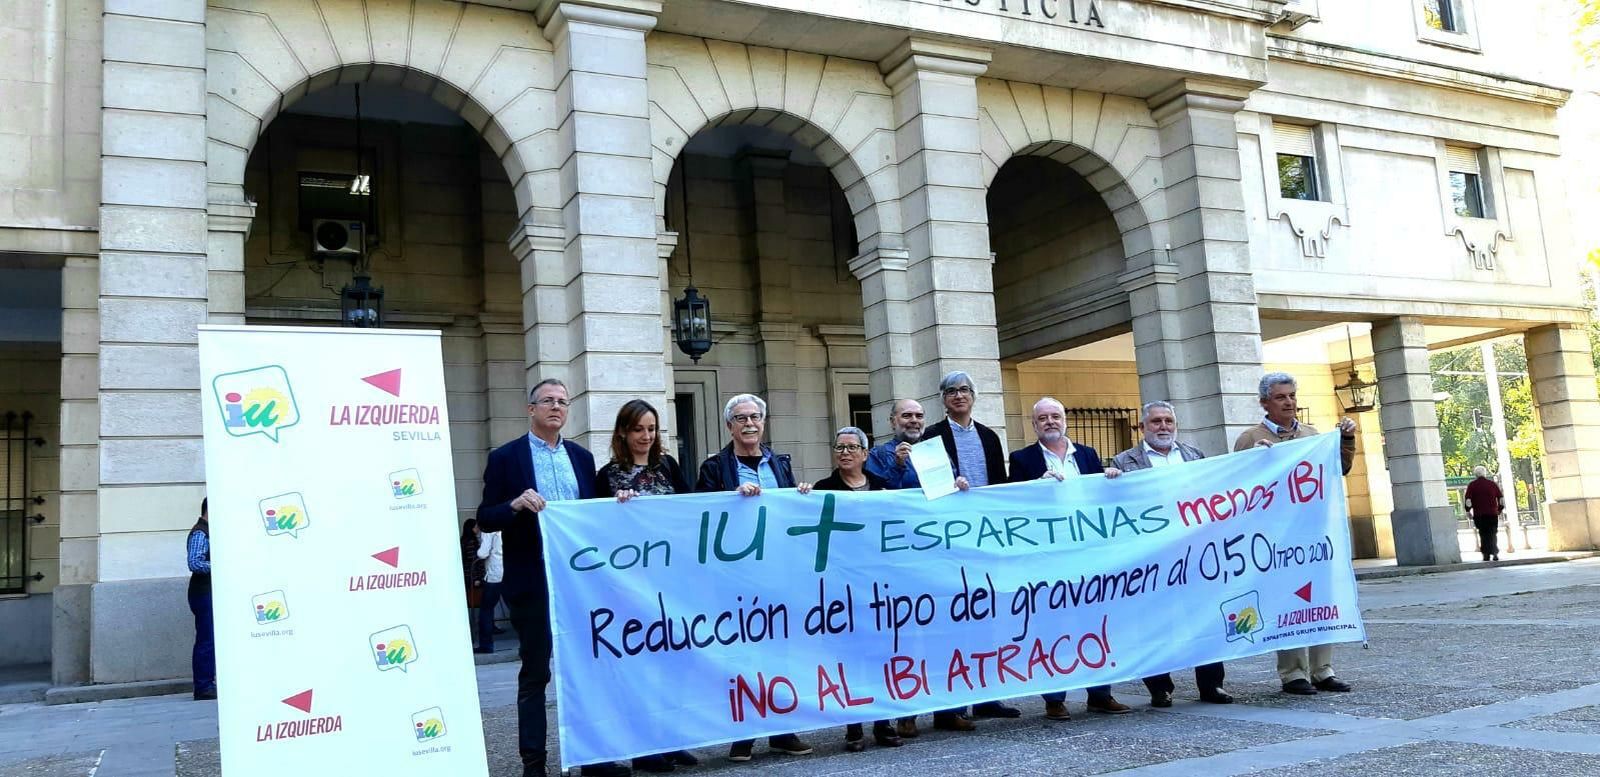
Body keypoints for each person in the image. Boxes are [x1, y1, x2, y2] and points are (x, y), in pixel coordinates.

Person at [477, 378, 630, 777]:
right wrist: (513, 504)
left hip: (580, 582)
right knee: (535, 672)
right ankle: (534, 763)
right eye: (548, 401)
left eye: (563, 401)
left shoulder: (581, 457)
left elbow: (592, 514)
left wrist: (619, 506)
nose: (556, 407)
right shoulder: (506, 458)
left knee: (587, 668)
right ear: (531, 409)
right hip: (533, 581)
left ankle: (593, 758)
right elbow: (486, 516)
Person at [695, 393, 816, 762]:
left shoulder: (779, 463)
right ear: (729, 425)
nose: (749, 423)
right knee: (743, 652)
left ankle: (782, 731)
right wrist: (730, 497)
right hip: (737, 574)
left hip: (777, 570)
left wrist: (802, 496)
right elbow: (701, 510)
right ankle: (744, 734)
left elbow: (789, 513)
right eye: (741, 418)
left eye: (755, 417)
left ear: (763, 422)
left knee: (780, 648)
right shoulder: (715, 467)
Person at [1233, 371, 1357, 697]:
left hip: (1313, 533)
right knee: (1287, 601)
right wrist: (1256, 462)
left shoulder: (1311, 435)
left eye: (1291, 395)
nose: (1288, 402)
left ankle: (1323, 669)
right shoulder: (1250, 438)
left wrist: (1345, 440)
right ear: (1264, 403)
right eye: (1280, 397)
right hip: (1276, 538)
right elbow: (1237, 486)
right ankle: (1292, 673)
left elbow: (1338, 469)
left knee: (1320, 598)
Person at [1006, 398, 1129, 719]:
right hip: (1048, 558)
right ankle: (1054, 699)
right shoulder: (1021, 459)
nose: (1050, 422)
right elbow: (1011, 502)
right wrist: (1036, 487)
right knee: (1052, 626)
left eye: (1055, 416)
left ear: (1065, 420)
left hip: (1088, 554)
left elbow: (1102, 495)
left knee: (1096, 622)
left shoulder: (1086, 455)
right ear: (1033, 425)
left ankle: (1100, 693)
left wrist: (1111, 477)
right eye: (1042, 418)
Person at [595, 399, 698, 774]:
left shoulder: (667, 466)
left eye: (651, 429)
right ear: (623, 431)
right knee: (642, 666)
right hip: (631, 587)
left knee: (674, 661)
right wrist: (615, 507)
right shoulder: (606, 476)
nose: (645, 436)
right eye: (638, 429)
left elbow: (692, 510)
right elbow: (595, 527)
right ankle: (643, 746)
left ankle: (672, 739)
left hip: (671, 581)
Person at [1109, 401, 1233, 707]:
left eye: (1168, 421)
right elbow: (1117, 506)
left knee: (1203, 616)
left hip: (1195, 551)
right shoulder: (1124, 462)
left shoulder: (1193, 455)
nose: (1163, 427)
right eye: (1155, 422)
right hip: (1152, 556)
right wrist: (1111, 482)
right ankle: (1159, 687)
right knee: (1153, 620)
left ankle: (1211, 684)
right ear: (1142, 427)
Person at [921, 371, 1017, 726]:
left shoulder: (990, 436)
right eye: (951, 391)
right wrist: (949, 485)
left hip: (984, 536)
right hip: (948, 540)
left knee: (988, 618)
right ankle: (949, 708)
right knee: (952, 620)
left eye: (964, 390)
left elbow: (1002, 484)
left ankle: (987, 697)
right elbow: (926, 485)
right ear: (943, 399)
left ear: (973, 397)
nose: (959, 396)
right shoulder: (931, 436)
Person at [812, 427, 904, 753]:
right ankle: (854, 726)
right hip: (841, 587)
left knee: (881, 654)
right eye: (839, 447)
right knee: (849, 656)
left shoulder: (884, 488)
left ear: (865, 454)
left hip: (880, 586)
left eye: (852, 447)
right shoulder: (823, 489)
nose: (845, 452)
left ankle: (883, 722)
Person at [186, 498, 216, 701]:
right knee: (207, 639)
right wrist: (222, 565)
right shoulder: (200, 532)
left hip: (208, 592)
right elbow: (195, 563)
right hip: (203, 593)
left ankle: (209, 682)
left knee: (212, 639)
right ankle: (203, 686)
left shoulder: (208, 531)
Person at [864, 398, 924, 489]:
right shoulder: (877, 455)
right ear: (893, 422)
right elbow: (876, 495)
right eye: (907, 416)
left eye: (919, 416)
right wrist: (897, 465)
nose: (914, 420)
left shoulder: (937, 452)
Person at [1465, 465, 1505, 561]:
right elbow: (1501, 498)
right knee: (1493, 533)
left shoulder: (1472, 485)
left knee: (1483, 534)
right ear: (1485, 473)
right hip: (1492, 514)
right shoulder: (1492, 484)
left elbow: (1468, 500)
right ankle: (1495, 552)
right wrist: (1500, 509)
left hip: (1479, 514)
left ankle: (1486, 554)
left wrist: (1468, 510)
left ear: (1475, 474)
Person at [474, 521, 503, 655]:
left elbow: (483, 553)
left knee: (486, 610)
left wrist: (479, 537)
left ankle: (486, 645)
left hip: (494, 574)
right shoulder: (510, 524)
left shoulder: (489, 528)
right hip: (511, 570)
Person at [461, 518, 485, 645]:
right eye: (476, 527)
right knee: (476, 604)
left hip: (470, 576)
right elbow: (472, 561)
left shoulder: (466, 541)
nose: (478, 529)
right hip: (472, 577)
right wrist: (476, 578)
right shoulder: (471, 542)